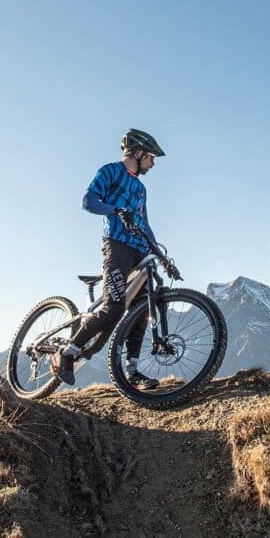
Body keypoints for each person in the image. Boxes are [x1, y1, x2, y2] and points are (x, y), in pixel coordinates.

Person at [53, 128, 165, 389]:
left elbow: (145, 223)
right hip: (116, 245)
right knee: (113, 307)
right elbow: (88, 201)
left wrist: (158, 252)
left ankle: (133, 371)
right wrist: (115, 210)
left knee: (141, 309)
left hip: (140, 251)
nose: (154, 162)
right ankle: (67, 352)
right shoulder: (111, 171)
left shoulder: (141, 188)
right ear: (137, 153)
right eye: (151, 156)